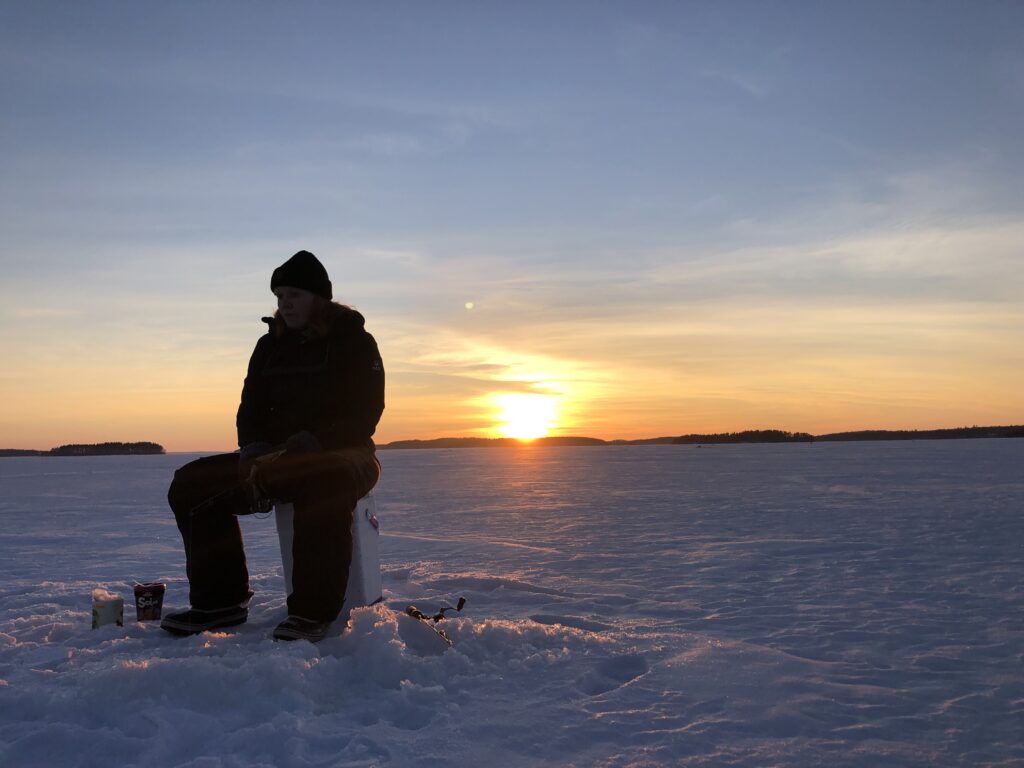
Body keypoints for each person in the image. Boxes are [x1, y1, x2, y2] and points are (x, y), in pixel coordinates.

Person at [160, 250, 385, 642]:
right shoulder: (269, 347)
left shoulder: (355, 341)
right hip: (275, 459)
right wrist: (252, 450)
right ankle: (221, 602)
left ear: (319, 298)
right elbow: (249, 409)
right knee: (193, 484)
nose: (284, 303)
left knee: (323, 483)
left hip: (344, 456)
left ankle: (312, 613)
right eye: (280, 295)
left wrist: (312, 442)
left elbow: (365, 412)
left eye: (294, 294)